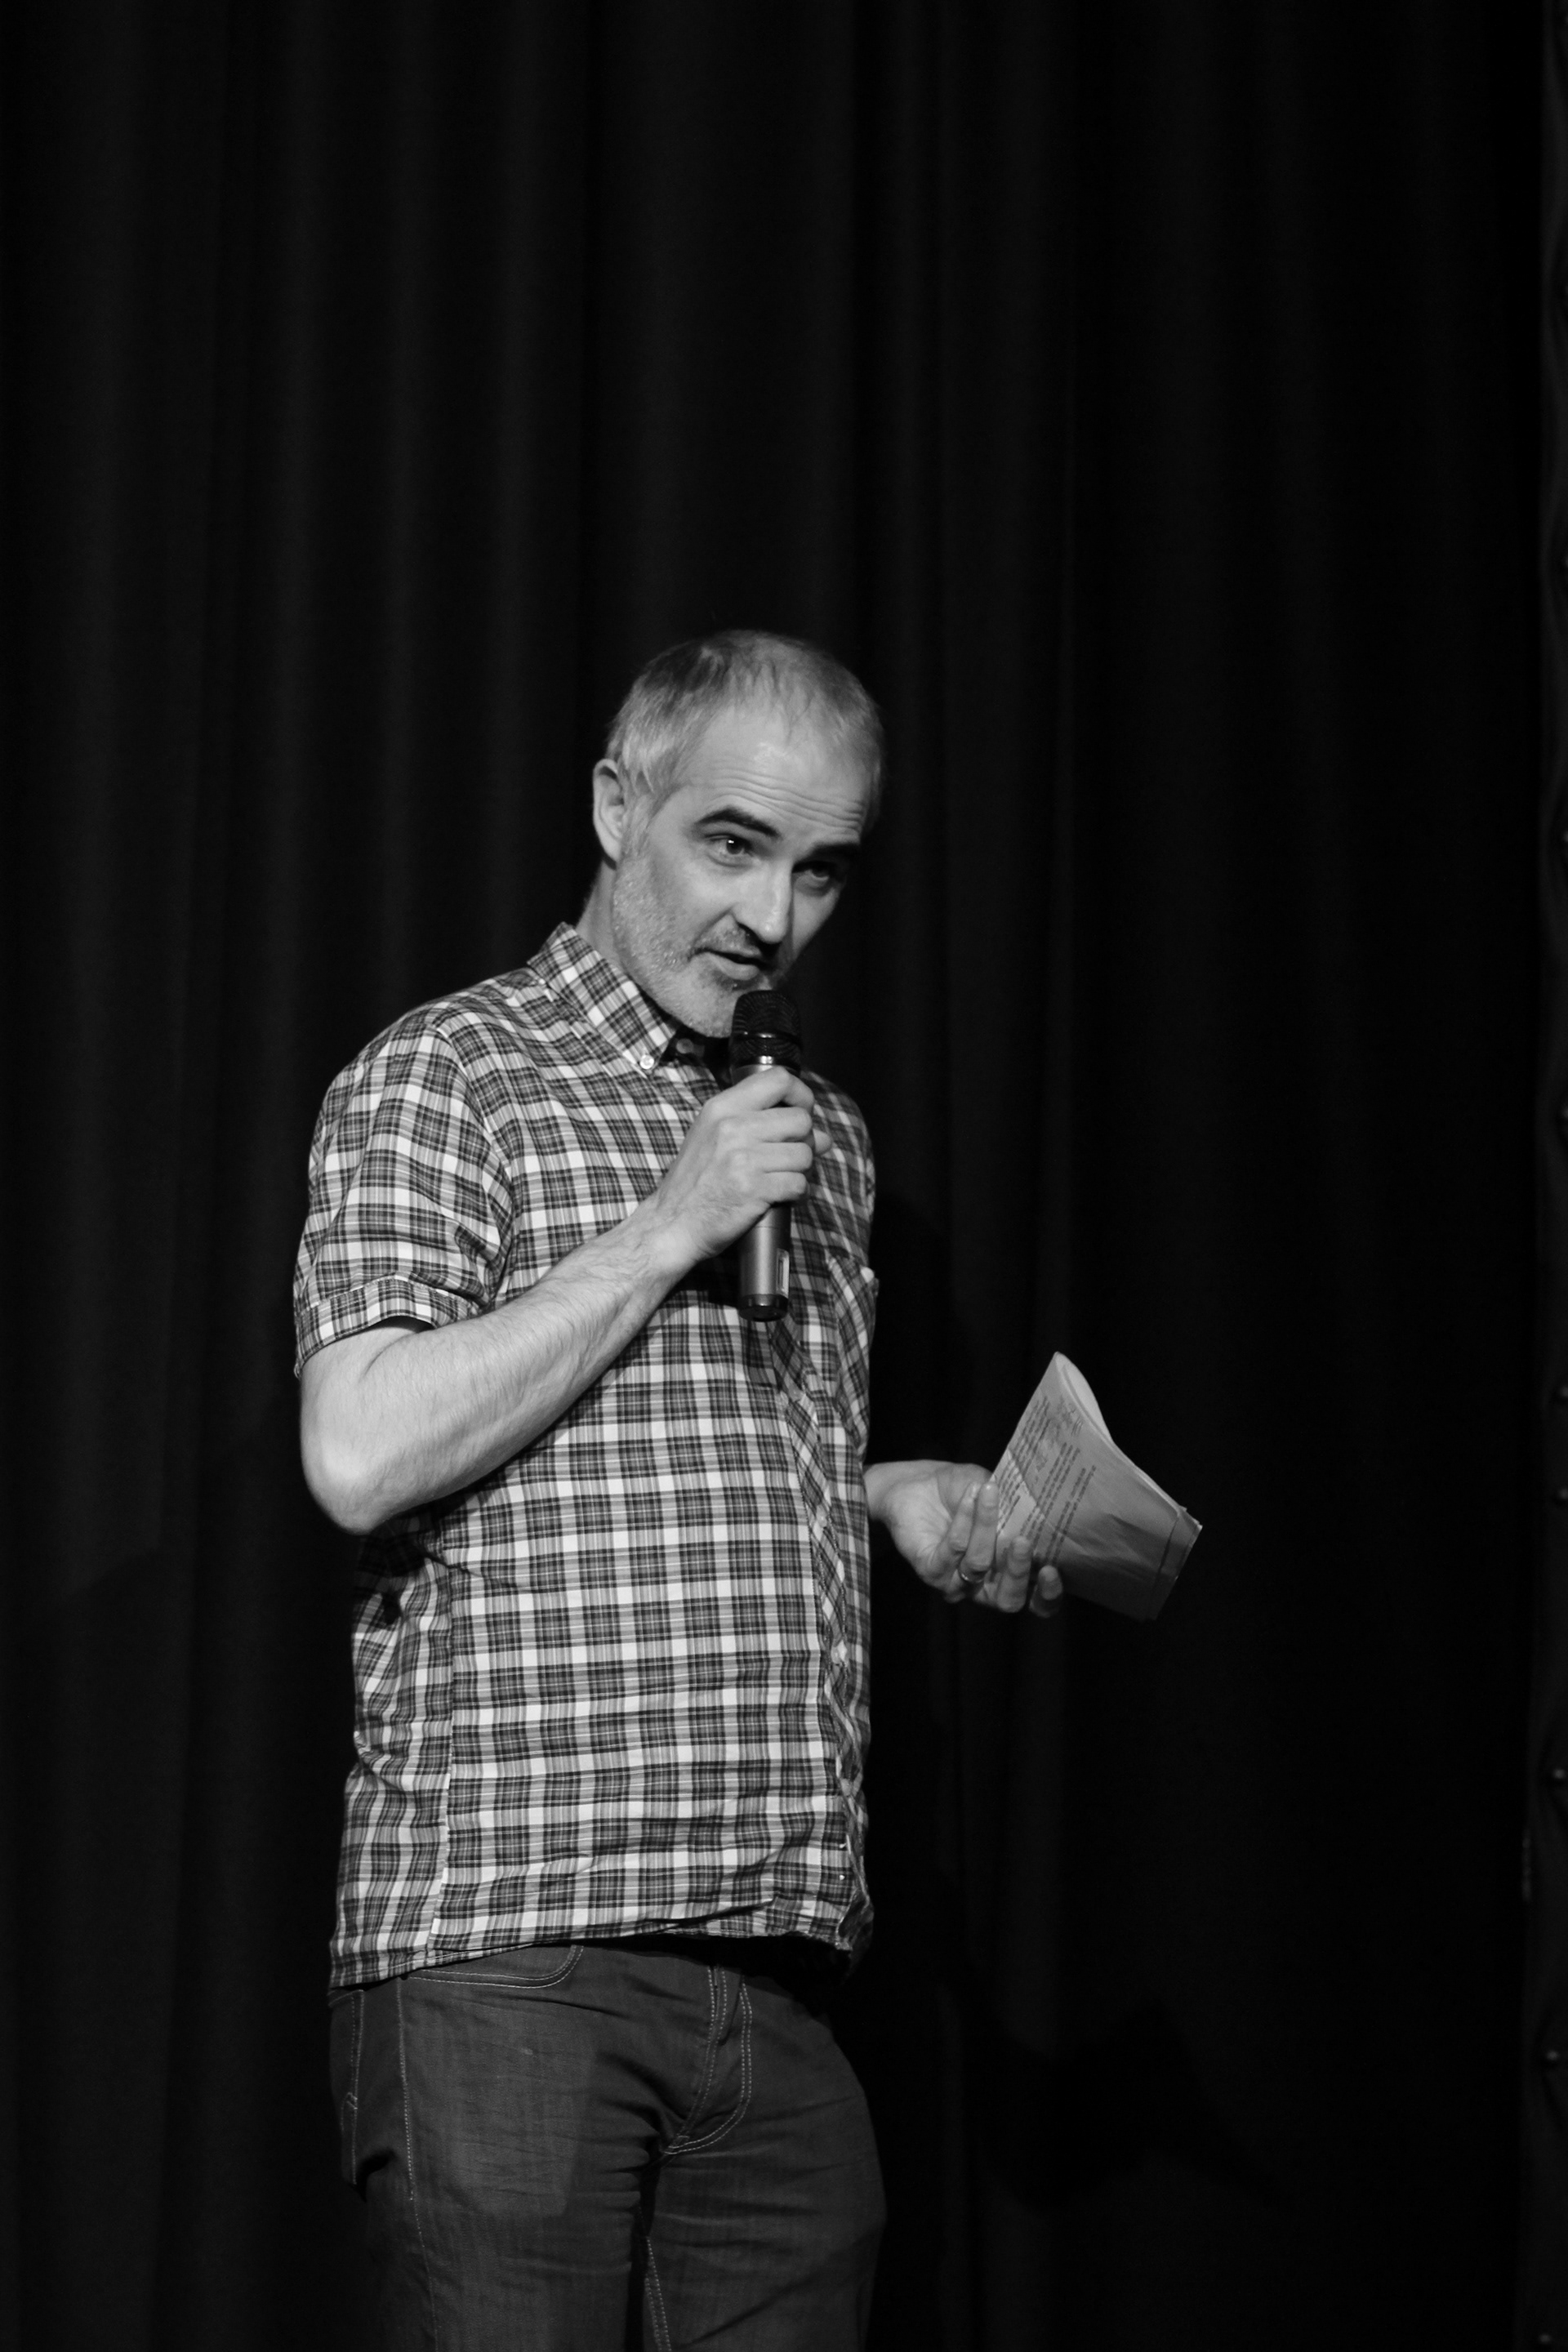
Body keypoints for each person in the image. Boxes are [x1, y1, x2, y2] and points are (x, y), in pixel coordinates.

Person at [293, 630, 1061, 2352]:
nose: (773, 917)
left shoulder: (819, 1134)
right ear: (614, 805)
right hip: (515, 1950)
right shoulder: (454, 1072)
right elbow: (358, 1452)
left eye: (822, 870)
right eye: (733, 844)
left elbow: (681, 1453)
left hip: (777, 1977)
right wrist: (666, 1225)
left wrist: (883, 1496)